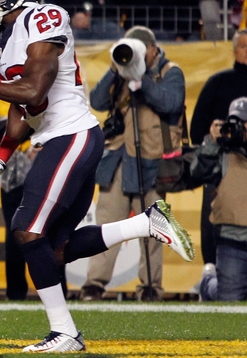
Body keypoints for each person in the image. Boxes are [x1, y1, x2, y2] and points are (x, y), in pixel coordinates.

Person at [0, 0, 194, 352]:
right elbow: (20, 106)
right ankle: (147, 223)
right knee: (55, 249)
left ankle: (65, 333)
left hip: (73, 135)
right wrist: (1, 156)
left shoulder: (44, 17)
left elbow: (33, 90)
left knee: (26, 228)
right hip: (58, 139)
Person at [80, 26, 186, 302]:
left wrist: (143, 80)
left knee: (153, 227)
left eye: (139, 50)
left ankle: (150, 286)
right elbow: (97, 101)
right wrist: (116, 69)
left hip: (152, 161)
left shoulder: (170, 71)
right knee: (106, 226)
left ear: (152, 48)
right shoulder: (122, 70)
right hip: (118, 159)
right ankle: (94, 284)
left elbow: (171, 103)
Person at [190, 29, 247, 266]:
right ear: (234, 51)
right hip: (221, 164)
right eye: (244, 46)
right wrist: (214, 139)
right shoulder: (218, 82)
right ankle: (212, 269)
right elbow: (196, 130)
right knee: (213, 221)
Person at [192, 97, 247, 301]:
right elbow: (197, 174)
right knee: (230, 300)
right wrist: (211, 143)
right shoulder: (222, 152)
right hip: (232, 239)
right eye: (236, 122)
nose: (240, 128)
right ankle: (208, 285)